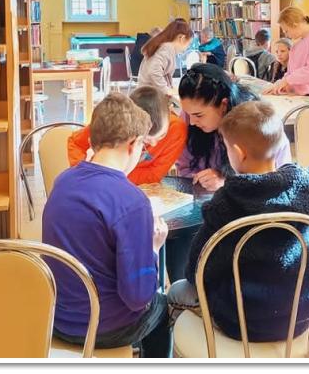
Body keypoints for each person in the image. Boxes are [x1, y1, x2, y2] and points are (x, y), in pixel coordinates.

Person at [167, 101, 309, 342]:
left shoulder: (227, 203)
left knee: (176, 291)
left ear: (238, 153)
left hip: (242, 321)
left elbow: (196, 270)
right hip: (301, 314)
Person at [43, 93, 170, 358]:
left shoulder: (63, 181)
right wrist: (154, 249)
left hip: (57, 318)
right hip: (105, 327)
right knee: (161, 307)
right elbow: (138, 297)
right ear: (133, 144)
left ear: (92, 141)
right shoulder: (132, 201)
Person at [164, 63, 292, 282]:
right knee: (179, 237)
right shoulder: (190, 120)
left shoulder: (256, 121)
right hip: (205, 201)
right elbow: (185, 168)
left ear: (223, 105)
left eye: (199, 115)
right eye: (188, 114)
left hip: (247, 212)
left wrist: (226, 179)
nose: (192, 122)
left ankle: (191, 289)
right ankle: (186, 285)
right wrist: (203, 179)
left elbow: (274, 177)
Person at [67, 86, 188, 185]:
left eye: (161, 136)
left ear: (169, 110)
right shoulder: (113, 121)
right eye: (143, 141)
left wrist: (112, 173)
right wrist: (92, 172)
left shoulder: (176, 129)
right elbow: (75, 143)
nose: (153, 144)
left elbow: (154, 175)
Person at [263, 7, 309, 96]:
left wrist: (287, 80)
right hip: (299, 94)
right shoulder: (298, 44)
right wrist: (280, 83)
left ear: (295, 25)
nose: (286, 35)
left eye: (286, 31)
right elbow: (292, 72)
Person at [137, 19, 193, 92]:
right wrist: (166, 90)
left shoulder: (165, 46)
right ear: (181, 38)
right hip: (150, 94)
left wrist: (170, 88)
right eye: (188, 44)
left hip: (148, 92)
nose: (187, 48)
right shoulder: (167, 48)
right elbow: (153, 71)